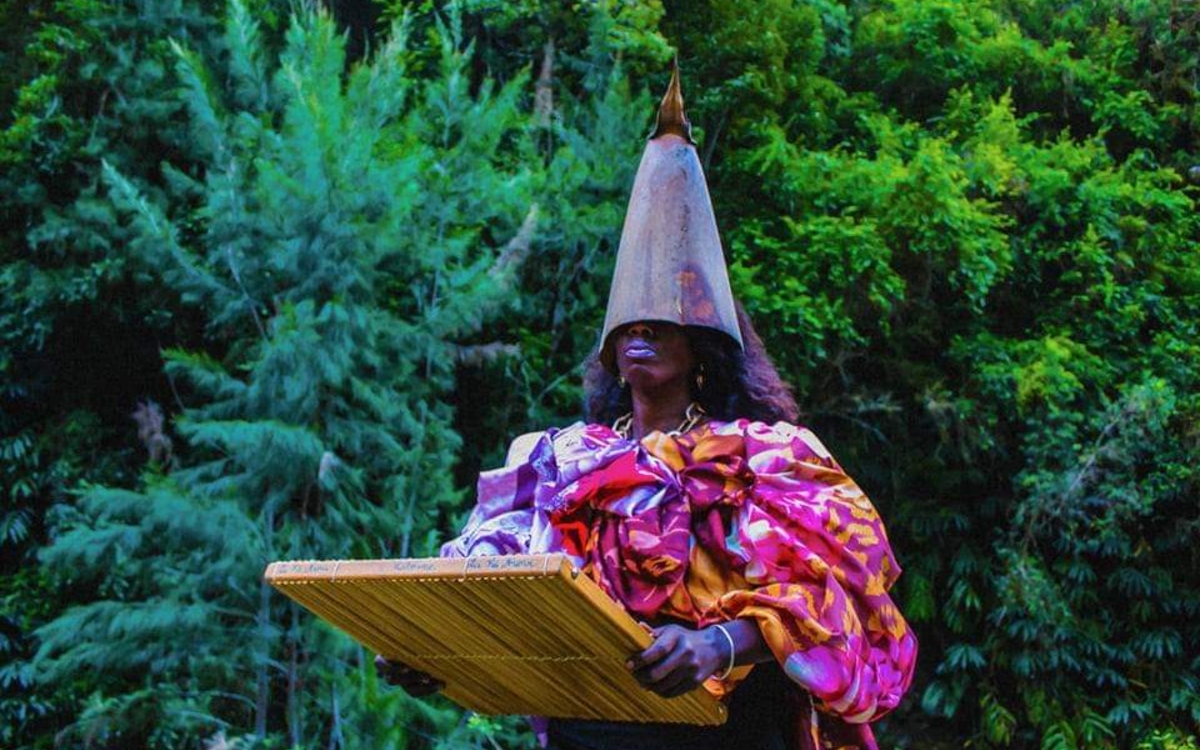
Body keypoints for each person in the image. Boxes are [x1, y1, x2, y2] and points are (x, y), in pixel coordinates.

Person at [376, 65, 916, 750]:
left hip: (723, 733)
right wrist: (431, 648)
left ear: (703, 345)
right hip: (587, 731)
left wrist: (720, 644)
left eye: (660, 322)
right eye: (630, 322)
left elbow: (840, 600)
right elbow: (491, 579)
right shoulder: (558, 462)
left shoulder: (769, 458)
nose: (641, 332)